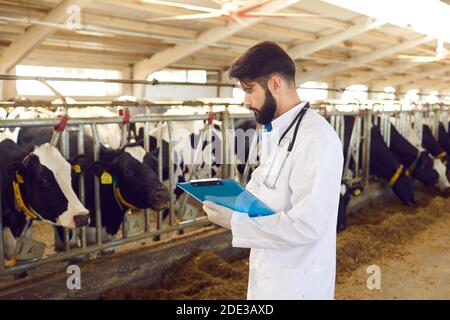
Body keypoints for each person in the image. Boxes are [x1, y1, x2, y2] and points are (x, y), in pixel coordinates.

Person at [202, 41, 344, 300]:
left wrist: (236, 222)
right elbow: (262, 194)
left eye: (249, 90)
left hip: (299, 286)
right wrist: (228, 199)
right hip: (270, 277)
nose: (246, 101)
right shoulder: (276, 133)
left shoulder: (315, 138)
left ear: (275, 84)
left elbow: (306, 226)